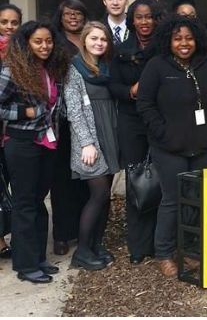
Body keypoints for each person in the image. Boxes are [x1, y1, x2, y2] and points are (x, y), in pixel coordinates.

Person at [137, 16, 207, 277]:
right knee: (172, 200)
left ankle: (189, 251)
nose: (184, 43)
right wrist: (163, 133)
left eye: (189, 38)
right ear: (169, 40)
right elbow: (144, 103)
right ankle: (164, 253)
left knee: (194, 200)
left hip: (201, 147)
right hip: (168, 149)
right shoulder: (157, 66)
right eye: (177, 39)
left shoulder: (206, 64)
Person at [0, 20, 70, 283]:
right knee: (25, 204)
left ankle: (38, 257)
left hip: (47, 143)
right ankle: (25, 265)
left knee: (39, 201)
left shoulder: (52, 68)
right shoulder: (13, 69)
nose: (44, 46)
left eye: (49, 41)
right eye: (38, 41)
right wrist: (23, 112)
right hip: (22, 143)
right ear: (26, 43)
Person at [108, 0, 161, 264]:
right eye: (139, 17)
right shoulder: (121, 50)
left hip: (160, 121)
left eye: (149, 16)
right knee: (137, 180)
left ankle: (159, 242)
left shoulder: (165, 48)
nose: (144, 22)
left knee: (160, 180)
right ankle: (138, 246)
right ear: (132, 20)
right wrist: (131, 90)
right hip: (131, 122)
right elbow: (112, 86)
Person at [65, 21, 120, 271]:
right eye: (94, 38)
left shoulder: (107, 68)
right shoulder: (74, 68)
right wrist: (87, 143)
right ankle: (82, 252)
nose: (99, 43)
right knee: (98, 194)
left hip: (110, 137)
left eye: (103, 39)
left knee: (105, 197)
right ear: (84, 40)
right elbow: (74, 110)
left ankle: (97, 245)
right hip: (89, 141)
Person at [49, 0, 90, 256]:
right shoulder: (54, 41)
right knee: (62, 179)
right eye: (68, 14)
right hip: (62, 120)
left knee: (85, 178)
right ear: (61, 17)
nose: (73, 18)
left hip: (89, 118)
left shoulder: (90, 39)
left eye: (78, 13)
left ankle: (82, 230)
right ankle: (62, 234)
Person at [0, 3, 22, 259]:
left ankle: (17, 237)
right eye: (4, 22)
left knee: (15, 187)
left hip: (15, 134)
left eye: (14, 23)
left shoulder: (21, 52)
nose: (9, 27)